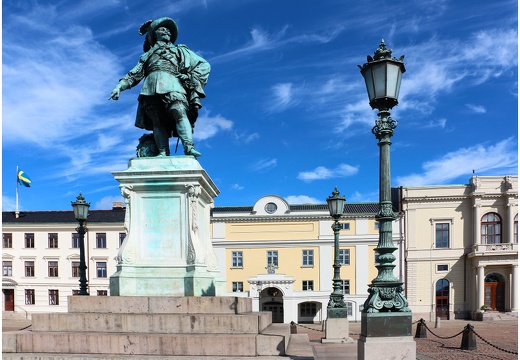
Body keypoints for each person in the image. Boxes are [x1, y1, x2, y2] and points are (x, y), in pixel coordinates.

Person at [109, 17, 210, 157]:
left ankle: (188, 147)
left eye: (168, 30)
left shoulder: (180, 50)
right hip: (149, 87)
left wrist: (190, 77)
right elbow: (134, 75)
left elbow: (204, 65)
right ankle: (163, 152)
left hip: (172, 83)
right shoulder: (147, 55)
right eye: (162, 29)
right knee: (157, 121)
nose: (166, 31)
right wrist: (119, 87)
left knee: (179, 111)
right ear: (154, 35)